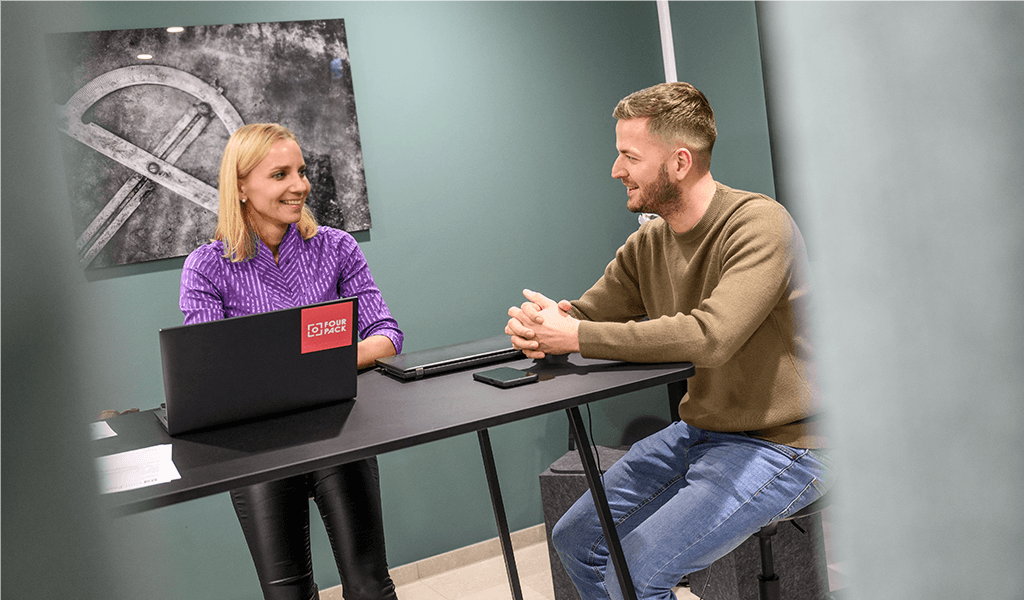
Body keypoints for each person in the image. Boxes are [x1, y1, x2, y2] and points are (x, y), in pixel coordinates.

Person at [505, 82, 834, 600]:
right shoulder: (649, 243)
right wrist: (544, 327)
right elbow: (587, 315)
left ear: (680, 162)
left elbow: (713, 336)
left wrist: (577, 333)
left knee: (635, 570)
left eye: (628, 156)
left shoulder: (759, 224)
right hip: (703, 432)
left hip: (790, 445)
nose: (616, 170)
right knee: (576, 539)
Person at [179, 123, 403, 600]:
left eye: (300, 172)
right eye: (279, 174)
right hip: (255, 449)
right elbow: (206, 372)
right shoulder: (207, 266)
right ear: (240, 185)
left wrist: (302, 362)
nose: (299, 185)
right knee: (288, 595)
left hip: (340, 433)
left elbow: (386, 337)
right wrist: (312, 361)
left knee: (369, 586)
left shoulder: (337, 247)